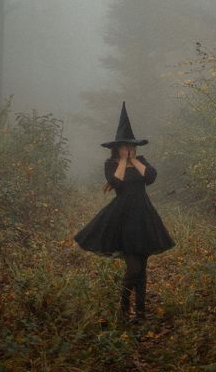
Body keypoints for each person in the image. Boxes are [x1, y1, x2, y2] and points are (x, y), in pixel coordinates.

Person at [73, 102, 176, 323]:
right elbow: (115, 182)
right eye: (124, 146)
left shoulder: (142, 162)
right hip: (123, 220)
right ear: (118, 147)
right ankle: (123, 308)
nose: (129, 149)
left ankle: (139, 313)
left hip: (144, 218)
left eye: (131, 146)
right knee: (133, 268)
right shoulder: (110, 164)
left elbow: (151, 177)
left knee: (142, 268)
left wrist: (134, 161)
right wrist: (122, 161)